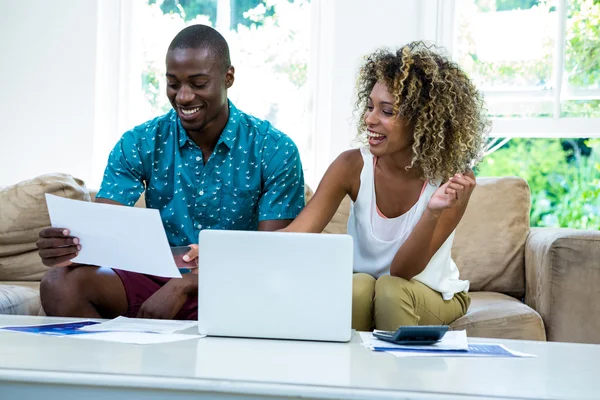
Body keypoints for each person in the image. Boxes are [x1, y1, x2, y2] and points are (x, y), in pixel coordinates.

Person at [36, 24, 304, 320]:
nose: (184, 97)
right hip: (156, 279)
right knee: (59, 284)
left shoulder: (274, 148)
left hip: (239, 281)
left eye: (198, 83)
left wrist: (187, 284)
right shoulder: (140, 142)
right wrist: (67, 248)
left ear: (228, 77)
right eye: (173, 84)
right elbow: (102, 238)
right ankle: (109, 363)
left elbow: (273, 255)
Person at [282, 42, 489, 331]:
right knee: (358, 287)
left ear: (422, 120)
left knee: (391, 290)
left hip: (430, 292)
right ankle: (351, 375)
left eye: (387, 111)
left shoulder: (452, 181)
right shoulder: (351, 166)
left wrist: (432, 211)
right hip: (366, 289)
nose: (369, 119)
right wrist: (228, 252)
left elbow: (403, 271)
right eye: (369, 107)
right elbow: (296, 235)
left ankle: (399, 376)